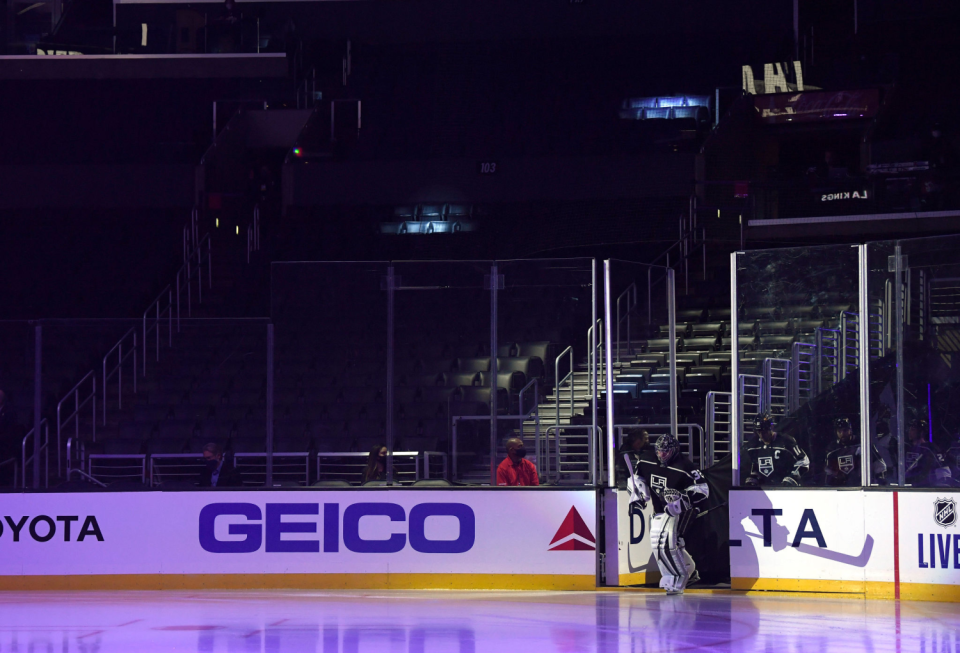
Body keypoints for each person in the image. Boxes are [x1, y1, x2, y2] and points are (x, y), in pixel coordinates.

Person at [622, 433, 708, 595]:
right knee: (663, 543)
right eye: (659, 451)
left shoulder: (686, 466)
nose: (662, 455)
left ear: (674, 450)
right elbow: (637, 477)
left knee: (666, 541)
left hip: (683, 510)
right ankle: (689, 571)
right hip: (660, 509)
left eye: (665, 452)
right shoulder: (646, 459)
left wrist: (681, 497)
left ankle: (678, 577)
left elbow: (703, 491)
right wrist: (637, 492)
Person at [744, 413, 809, 487]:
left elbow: (804, 460)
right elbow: (755, 467)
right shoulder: (754, 446)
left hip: (786, 489)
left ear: (771, 427)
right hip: (765, 491)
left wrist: (793, 477)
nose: (762, 435)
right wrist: (753, 478)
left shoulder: (786, 441)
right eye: (759, 432)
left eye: (764, 431)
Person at [824, 417, 887, 486]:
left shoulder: (863, 444)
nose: (842, 433)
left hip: (863, 487)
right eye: (839, 431)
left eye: (845, 430)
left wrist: (881, 480)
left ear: (850, 430)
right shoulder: (833, 449)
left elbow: (880, 466)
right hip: (842, 489)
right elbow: (829, 473)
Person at [904, 419, 950, 486]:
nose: (910, 432)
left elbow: (943, 469)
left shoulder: (930, 448)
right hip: (907, 486)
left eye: (913, 429)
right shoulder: (907, 447)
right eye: (910, 429)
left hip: (926, 488)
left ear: (921, 432)